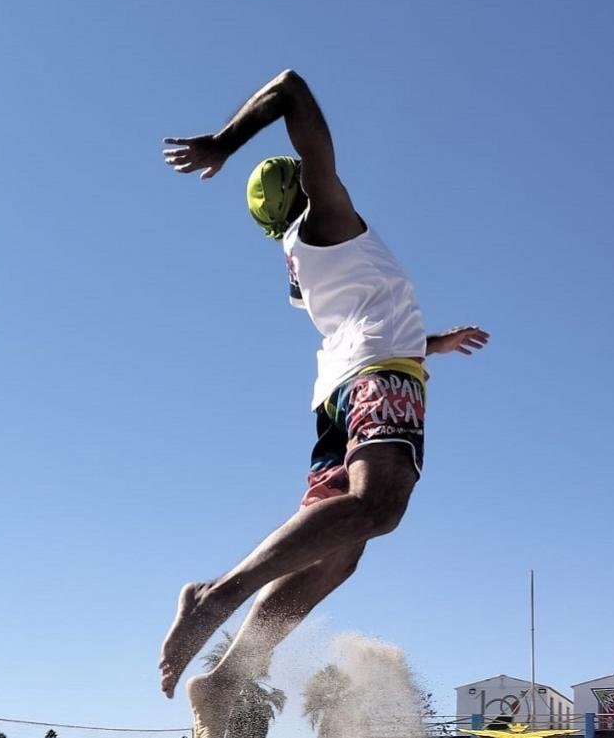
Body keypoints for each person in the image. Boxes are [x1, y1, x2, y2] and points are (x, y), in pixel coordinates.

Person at [157, 69, 490, 738]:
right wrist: (225, 141)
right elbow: (290, 89)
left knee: (338, 551)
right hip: (379, 374)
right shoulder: (327, 219)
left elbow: (362, 315)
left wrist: (433, 342)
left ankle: (227, 680)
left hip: (340, 391)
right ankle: (215, 596)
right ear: (303, 189)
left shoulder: (303, 264)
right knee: (379, 507)